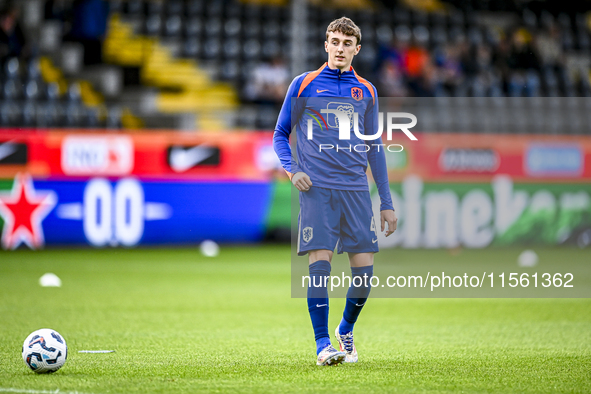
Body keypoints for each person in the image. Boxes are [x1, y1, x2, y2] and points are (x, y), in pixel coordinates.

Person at [273, 17, 397, 366]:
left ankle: (345, 329)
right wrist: (293, 168)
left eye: (347, 43)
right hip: (318, 191)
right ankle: (322, 344)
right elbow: (280, 133)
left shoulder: (367, 91)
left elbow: (375, 148)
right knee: (320, 265)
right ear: (325, 45)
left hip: (356, 191)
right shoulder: (305, 84)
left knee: (364, 274)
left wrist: (386, 203)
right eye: (334, 41)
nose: (340, 48)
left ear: (357, 49)